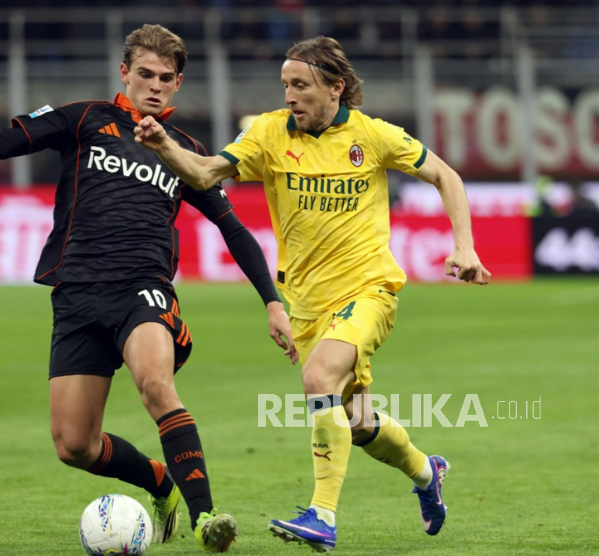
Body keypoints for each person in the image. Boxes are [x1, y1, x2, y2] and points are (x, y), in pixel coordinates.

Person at [0, 24, 297, 554]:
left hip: (144, 290)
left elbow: (233, 229)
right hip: (76, 294)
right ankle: (161, 483)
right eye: (145, 74)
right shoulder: (84, 118)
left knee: (156, 387)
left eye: (166, 78)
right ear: (125, 73)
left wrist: (272, 302)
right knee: (75, 445)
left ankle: (208, 519)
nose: (155, 85)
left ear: (178, 84)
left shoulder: (184, 151)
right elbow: (11, 140)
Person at [135, 36, 491, 553]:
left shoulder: (372, 135)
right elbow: (206, 172)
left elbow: (446, 176)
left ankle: (322, 515)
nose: (290, 95)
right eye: (285, 85)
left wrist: (466, 248)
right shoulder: (267, 134)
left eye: (300, 85)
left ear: (335, 87)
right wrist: (164, 145)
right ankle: (425, 472)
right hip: (306, 305)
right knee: (359, 424)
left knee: (318, 376)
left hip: (370, 289)